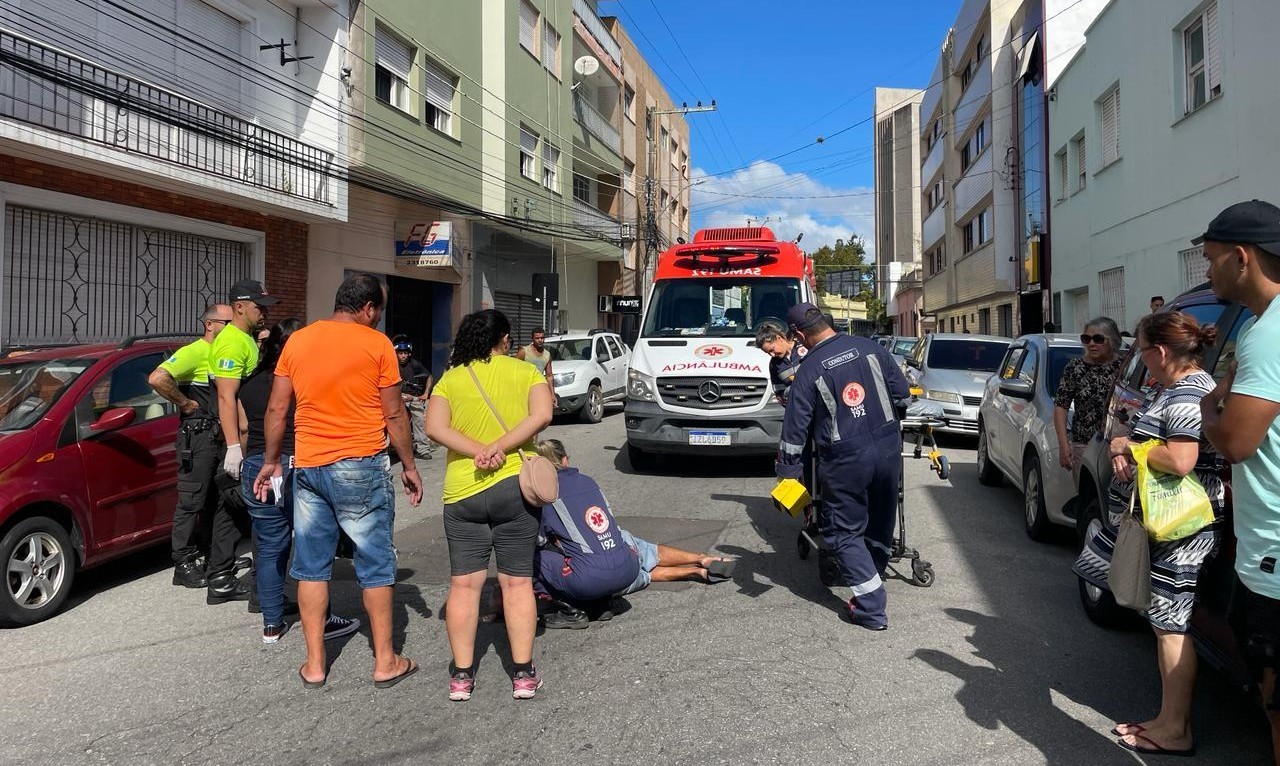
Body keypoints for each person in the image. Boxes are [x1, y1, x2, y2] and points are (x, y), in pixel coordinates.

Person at [253, 273, 423, 690]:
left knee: (311, 567)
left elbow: (277, 409)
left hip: (308, 466)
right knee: (375, 562)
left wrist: (272, 461)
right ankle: (385, 660)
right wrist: (409, 465)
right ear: (367, 308)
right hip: (360, 465)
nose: (378, 319)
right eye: (378, 311)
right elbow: (395, 413)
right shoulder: (376, 344)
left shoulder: (298, 341)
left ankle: (314, 664)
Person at [1073, 311, 1225, 757]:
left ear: (1160, 353)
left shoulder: (1187, 393)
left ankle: (1175, 729)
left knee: (1171, 626)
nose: (1138, 358)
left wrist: (1128, 447)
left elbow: (1180, 459)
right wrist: (1131, 451)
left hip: (1181, 527)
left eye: (1140, 349)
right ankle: (1166, 719)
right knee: (1164, 623)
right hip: (1167, 522)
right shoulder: (1177, 388)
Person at [426, 309, 553, 702]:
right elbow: (543, 414)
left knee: (464, 586)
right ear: (502, 339)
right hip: (515, 487)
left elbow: (434, 428)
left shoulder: (451, 379)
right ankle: (523, 674)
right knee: (516, 584)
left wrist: (478, 450)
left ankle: (462, 677)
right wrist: (500, 447)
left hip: (463, 492)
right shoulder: (526, 372)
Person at [1196, 200, 1280, 764]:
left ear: (1242, 258)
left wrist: (1207, 408)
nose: (1206, 272)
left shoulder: (1267, 334)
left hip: (1274, 551)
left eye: (1210, 259)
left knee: (1276, 700)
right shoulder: (1257, 328)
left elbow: (1235, 443)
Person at [776, 303, 912, 630]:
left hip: (846, 459)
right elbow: (903, 397)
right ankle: (873, 572)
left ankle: (870, 605)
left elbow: (794, 433)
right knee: (881, 518)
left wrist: (788, 477)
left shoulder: (809, 369)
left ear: (798, 335)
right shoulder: (871, 349)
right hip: (888, 449)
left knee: (840, 532)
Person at [237, 318, 360, 644]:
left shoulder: (248, 384)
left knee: (268, 547)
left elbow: (245, 429)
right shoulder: (309, 379)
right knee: (313, 547)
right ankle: (323, 621)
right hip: (300, 463)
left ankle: (271, 624)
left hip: (257, 466)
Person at [532, 438, 734, 629]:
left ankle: (572, 609)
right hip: (627, 565)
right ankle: (702, 561)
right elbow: (609, 521)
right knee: (634, 546)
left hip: (594, 579)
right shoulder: (588, 481)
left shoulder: (544, 494)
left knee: (534, 557)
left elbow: (540, 539)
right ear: (565, 460)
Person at [147, 303, 234, 588]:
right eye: (227, 323)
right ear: (210, 324)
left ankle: (212, 558)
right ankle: (183, 563)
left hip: (216, 436)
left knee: (214, 499)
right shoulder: (195, 351)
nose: (232, 328)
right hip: (197, 436)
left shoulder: (222, 352)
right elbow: (158, 378)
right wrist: (185, 403)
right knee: (191, 500)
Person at [205, 279, 277, 604]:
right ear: (239, 307)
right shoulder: (232, 342)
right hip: (239, 442)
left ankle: (221, 577)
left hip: (244, 439)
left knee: (232, 509)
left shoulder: (244, 339)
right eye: (259, 306)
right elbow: (226, 396)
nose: (264, 312)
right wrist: (235, 447)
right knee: (249, 507)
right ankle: (254, 587)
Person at [1053, 317, 1123, 479]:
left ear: (1111, 341)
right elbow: (1061, 406)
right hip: (1083, 443)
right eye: (1086, 339)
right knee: (1086, 496)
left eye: (1098, 339)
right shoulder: (1075, 367)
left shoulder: (1124, 367)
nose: (1091, 343)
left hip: (1116, 446)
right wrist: (1064, 445)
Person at [393, 335, 435, 460]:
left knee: (419, 419)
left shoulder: (415, 364)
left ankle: (423, 449)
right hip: (396, 397)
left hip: (413, 397)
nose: (403, 356)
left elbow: (429, 377)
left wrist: (425, 394)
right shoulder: (391, 364)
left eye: (405, 353)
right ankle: (389, 448)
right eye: (400, 353)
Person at [756, 320, 805, 404]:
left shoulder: (805, 346)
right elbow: (780, 394)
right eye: (768, 353)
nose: (772, 355)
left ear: (779, 338)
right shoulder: (774, 364)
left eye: (772, 350)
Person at [516, 327, 555, 400]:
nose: (540, 340)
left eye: (542, 338)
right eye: (537, 338)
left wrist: (552, 394)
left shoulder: (547, 355)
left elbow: (549, 376)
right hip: (523, 389)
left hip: (538, 388)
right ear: (532, 339)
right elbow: (515, 370)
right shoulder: (524, 351)